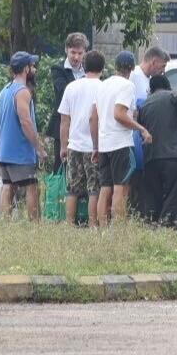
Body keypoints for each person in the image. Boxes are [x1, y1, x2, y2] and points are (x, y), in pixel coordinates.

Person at [90, 51, 152, 224]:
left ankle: (102, 228)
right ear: (131, 69)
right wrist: (142, 129)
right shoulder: (127, 86)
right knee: (121, 188)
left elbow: (94, 117)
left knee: (105, 188)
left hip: (104, 144)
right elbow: (119, 114)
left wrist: (95, 146)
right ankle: (118, 228)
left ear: (115, 67)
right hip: (120, 144)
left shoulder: (102, 85)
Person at [138, 74, 177, 227]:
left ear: (151, 89)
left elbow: (141, 129)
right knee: (173, 195)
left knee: (153, 197)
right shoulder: (175, 95)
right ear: (167, 85)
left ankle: (153, 226)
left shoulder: (144, 104)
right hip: (173, 157)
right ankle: (165, 226)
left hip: (150, 158)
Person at [0, 51, 48, 219]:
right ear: (26, 69)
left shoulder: (5, 90)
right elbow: (26, 122)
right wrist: (39, 148)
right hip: (20, 151)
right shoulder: (23, 92)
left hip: (4, 151)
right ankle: (35, 226)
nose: (35, 69)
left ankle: (4, 223)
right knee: (32, 186)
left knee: (8, 186)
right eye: (32, 66)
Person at [57, 50, 105, 226]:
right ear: (102, 68)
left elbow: (64, 120)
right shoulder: (103, 88)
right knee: (94, 189)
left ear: (84, 66)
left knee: (72, 188)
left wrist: (63, 146)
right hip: (94, 146)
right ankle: (93, 225)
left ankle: (69, 224)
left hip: (74, 145)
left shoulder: (72, 87)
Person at [47, 32, 89, 173]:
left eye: (80, 53)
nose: (76, 57)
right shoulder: (58, 69)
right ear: (66, 50)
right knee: (61, 165)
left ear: (85, 53)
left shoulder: (89, 71)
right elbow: (63, 92)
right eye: (73, 53)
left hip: (84, 125)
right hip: (63, 125)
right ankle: (58, 195)